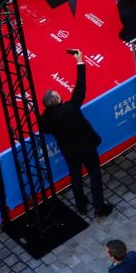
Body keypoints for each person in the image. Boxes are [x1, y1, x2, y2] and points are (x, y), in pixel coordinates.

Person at [40, 49, 112, 217]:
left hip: (69, 151)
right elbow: (80, 87)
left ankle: (81, 205)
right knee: (94, 174)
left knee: (75, 177)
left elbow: (45, 128)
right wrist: (80, 62)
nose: (61, 94)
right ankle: (99, 207)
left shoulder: (46, 119)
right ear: (57, 100)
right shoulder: (71, 108)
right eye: (58, 94)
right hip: (86, 147)